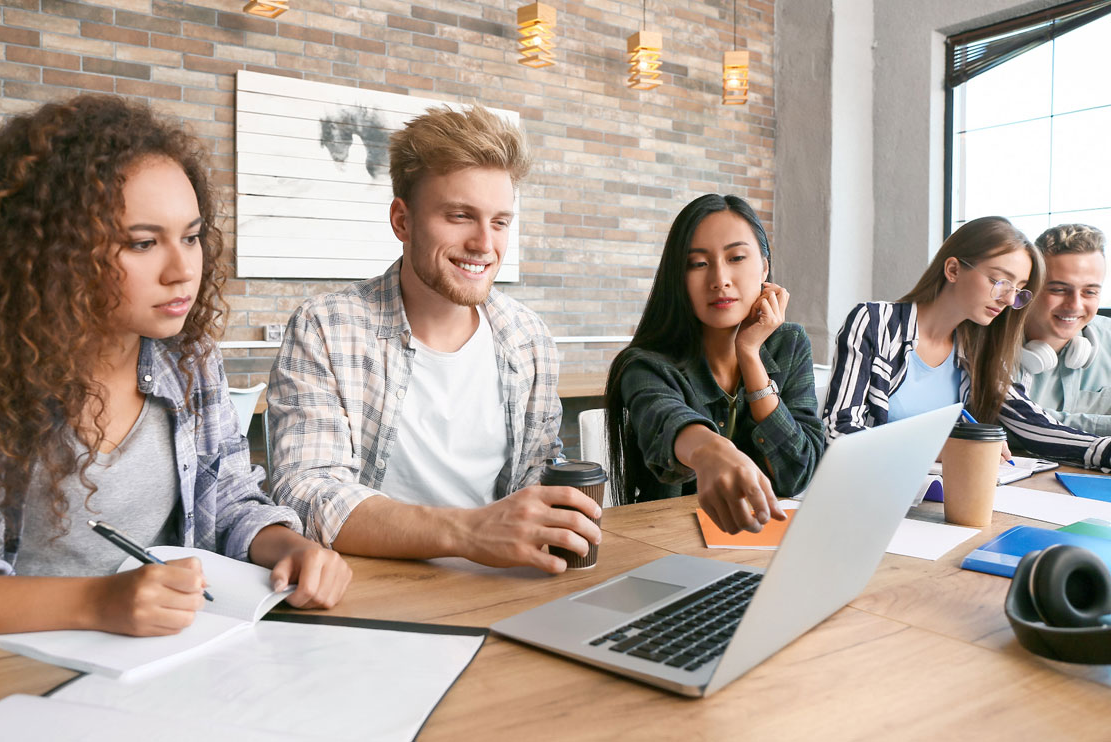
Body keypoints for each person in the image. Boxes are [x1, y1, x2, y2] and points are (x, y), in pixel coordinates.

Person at [0, 95, 351, 654]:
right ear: (52, 252)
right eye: (143, 243)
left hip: (168, 661)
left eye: (191, 236)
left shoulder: (190, 358)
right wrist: (97, 602)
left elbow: (231, 501)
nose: (183, 270)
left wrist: (287, 546)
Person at [268, 104, 599, 574]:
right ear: (402, 221)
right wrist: (467, 533)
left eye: (500, 221)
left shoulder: (529, 339)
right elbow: (308, 493)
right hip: (372, 598)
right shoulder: (325, 328)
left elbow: (534, 478)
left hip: (505, 588)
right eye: (461, 216)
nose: (485, 243)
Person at [604, 194, 825, 535]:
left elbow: (797, 473)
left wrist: (749, 354)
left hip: (770, 544)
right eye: (698, 263)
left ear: (764, 266)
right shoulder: (645, 365)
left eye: (736, 257)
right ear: (678, 277)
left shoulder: (789, 344)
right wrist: (711, 451)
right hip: (670, 546)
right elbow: (668, 421)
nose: (719, 278)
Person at [822, 216, 1111, 471]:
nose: (1010, 300)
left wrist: (1104, 451)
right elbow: (839, 431)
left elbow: (1033, 425)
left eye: (1019, 290)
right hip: (868, 490)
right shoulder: (876, 322)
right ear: (953, 270)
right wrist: (946, 448)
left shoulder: (978, 348)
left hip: (940, 496)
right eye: (1001, 282)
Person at [1020, 224, 1111, 435]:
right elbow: (1012, 425)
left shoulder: (1108, 337)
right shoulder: (994, 342)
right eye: (1059, 290)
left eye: (1089, 292)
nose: (1075, 305)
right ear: (1030, 286)